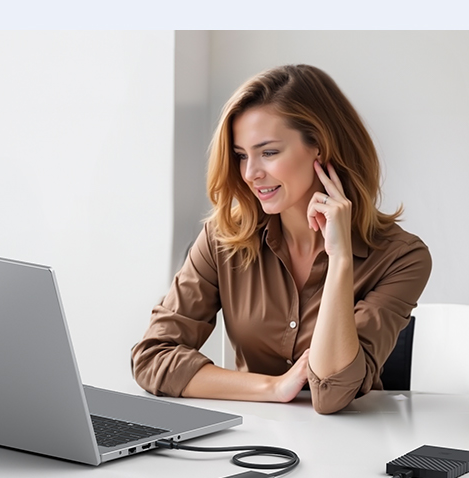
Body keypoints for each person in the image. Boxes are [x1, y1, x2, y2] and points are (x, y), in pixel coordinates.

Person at [131, 64, 430, 414]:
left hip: (349, 445)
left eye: (268, 152)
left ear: (320, 146)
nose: (250, 173)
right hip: (249, 439)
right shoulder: (223, 237)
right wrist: (272, 387)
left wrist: (340, 260)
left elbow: (331, 393)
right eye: (242, 155)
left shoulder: (403, 258)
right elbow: (152, 358)